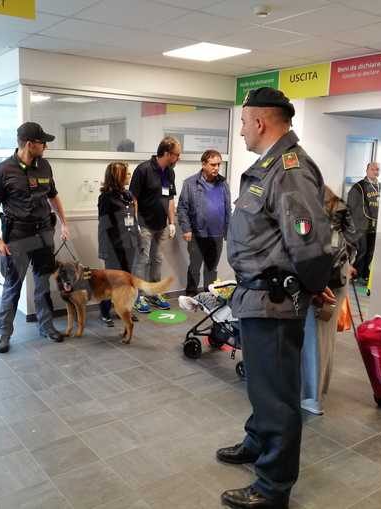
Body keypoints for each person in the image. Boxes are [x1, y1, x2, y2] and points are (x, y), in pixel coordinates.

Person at [218, 87, 334, 509]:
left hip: (275, 303)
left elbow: (309, 242)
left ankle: (272, 488)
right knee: (261, 386)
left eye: (245, 122)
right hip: (255, 299)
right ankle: (257, 441)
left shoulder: (289, 169)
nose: (244, 130)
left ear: (261, 121)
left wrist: (311, 281)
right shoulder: (268, 167)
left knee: (277, 395)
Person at [0, 122, 70, 352]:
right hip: (18, 237)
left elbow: (53, 196)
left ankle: (46, 326)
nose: (46, 147)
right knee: (13, 286)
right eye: (43, 143)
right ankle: (3, 333)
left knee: (42, 283)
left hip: (43, 233)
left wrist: (64, 222)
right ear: (30, 144)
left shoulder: (44, 166)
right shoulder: (3, 171)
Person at [300, 186, 360, 415]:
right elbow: (353, 238)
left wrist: (315, 283)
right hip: (339, 277)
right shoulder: (336, 202)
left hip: (323, 283)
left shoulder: (312, 207)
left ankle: (311, 397)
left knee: (313, 340)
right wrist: (348, 262)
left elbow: (321, 249)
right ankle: (319, 391)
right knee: (325, 339)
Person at [129, 136, 180, 313]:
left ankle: (154, 294)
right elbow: (133, 198)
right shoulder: (143, 170)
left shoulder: (169, 172)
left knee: (157, 260)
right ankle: (137, 296)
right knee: (142, 260)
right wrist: (134, 222)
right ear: (166, 153)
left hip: (161, 225)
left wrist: (172, 222)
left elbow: (170, 198)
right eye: (176, 155)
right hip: (144, 224)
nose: (178, 158)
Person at [177, 149, 231, 295]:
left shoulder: (223, 183)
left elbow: (227, 208)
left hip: (217, 234)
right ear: (203, 164)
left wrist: (229, 231)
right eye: (213, 164)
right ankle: (191, 294)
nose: (217, 168)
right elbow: (182, 207)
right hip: (197, 233)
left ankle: (209, 295)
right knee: (194, 266)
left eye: (218, 164)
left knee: (211, 267)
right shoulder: (190, 183)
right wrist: (186, 229)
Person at [97, 162, 139, 327]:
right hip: (113, 246)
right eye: (126, 173)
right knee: (111, 282)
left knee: (127, 281)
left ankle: (125, 309)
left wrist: (138, 238)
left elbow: (133, 219)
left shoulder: (127, 195)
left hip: (129, 244)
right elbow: (103, 225)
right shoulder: (106, 198)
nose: (129, 176)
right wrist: (104, 249)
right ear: (117, 176)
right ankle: (105, 311)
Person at [347, 162, 380, 283]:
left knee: (370, 252)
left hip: (374, 226)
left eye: (377, 170)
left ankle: (365, 273)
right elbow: (350, 206)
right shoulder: (358, 187)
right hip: (360, 225)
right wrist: (352, 223)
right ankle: (355, 273)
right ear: (367, 170)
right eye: (373, 169)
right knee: (362, 250)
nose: (375, 172)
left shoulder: (380, 187)